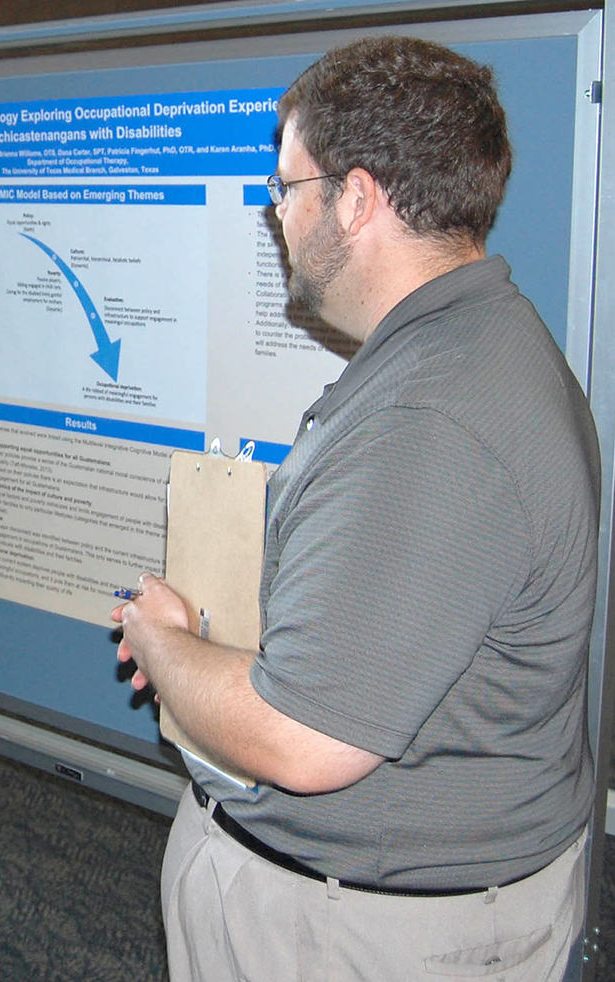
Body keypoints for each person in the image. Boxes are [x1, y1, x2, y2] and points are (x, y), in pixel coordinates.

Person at [114, 35, 599, 981]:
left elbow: (303, 740)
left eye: (286, 188)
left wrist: (161, 639)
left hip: (362, 932)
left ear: (357, 197)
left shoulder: (430, 418)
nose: (274, 212)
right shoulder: (477, 342)